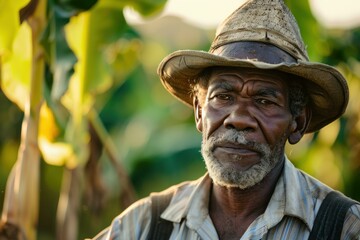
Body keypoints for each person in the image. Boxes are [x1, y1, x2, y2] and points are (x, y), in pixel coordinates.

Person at [92, 0, 360, 239]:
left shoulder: (345, 227)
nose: (238, 119)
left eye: (265, 101)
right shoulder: (144, 226)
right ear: (199, 111)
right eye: (223, 96)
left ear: (298, 123)